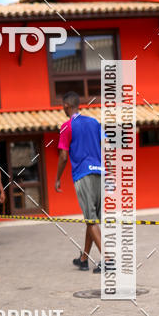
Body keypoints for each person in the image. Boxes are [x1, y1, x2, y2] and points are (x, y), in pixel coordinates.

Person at [55, 91, 103, 272]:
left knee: (91, 220)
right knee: (92, 220)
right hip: (100, 172)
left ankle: (108, 259)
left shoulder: (67, 126)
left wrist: (58, 178)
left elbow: (63, 156)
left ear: (66, 106)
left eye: (62, 106)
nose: (62, 109)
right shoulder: (94, 122)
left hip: (83, 175)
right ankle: (84, 258)